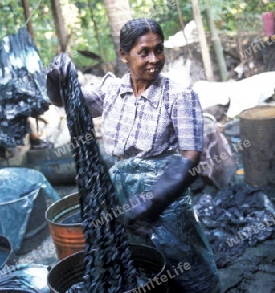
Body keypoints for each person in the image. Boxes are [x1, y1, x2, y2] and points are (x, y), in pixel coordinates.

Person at [48, 18, 220, 293]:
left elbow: (190, 156)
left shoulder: (178, 96)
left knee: (183, 259)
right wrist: (56, 79)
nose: (154, 59)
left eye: (159, 50)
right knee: (140, 260)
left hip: (165, 191)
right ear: (124, 55)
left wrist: (155, 201)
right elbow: (65, 101)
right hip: (120, 192)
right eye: (144, 52)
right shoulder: (111, 90)